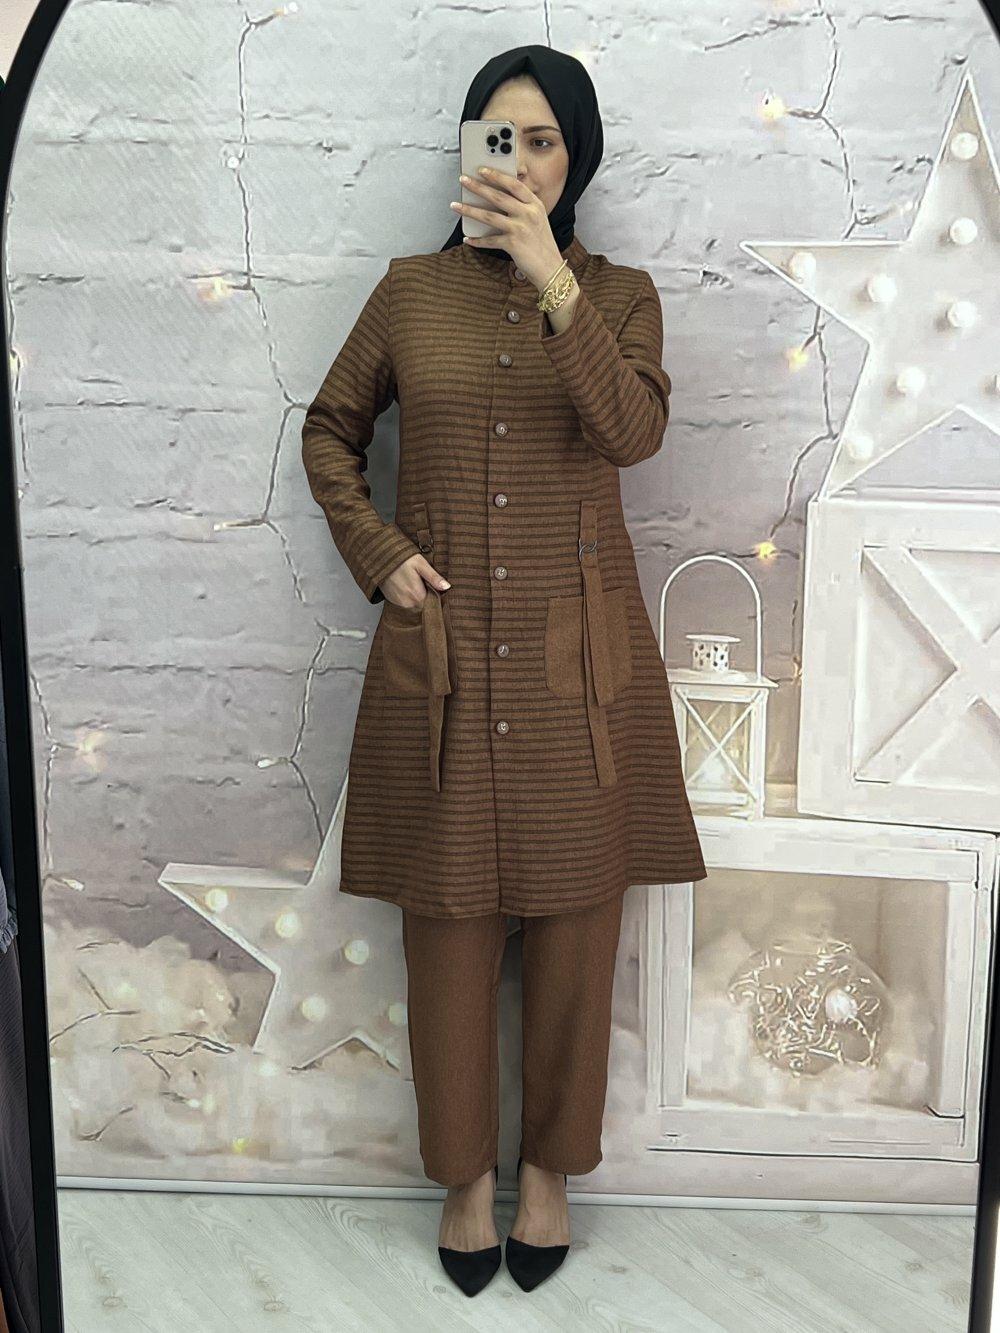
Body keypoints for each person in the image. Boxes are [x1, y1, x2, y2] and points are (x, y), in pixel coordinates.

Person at [301, 44, 707, 1297]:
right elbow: (328, 431)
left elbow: (631, 432)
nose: (520, 162)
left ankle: (551, 1174)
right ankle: (464, 1180)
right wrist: (380, 554)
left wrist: (551, 280)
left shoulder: (619, 294)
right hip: (444, 656)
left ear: (575, 158)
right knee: (450, 929)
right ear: (467, 147)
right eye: (499, 137)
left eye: (543, 141)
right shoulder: (408, 291)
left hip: (576, 661)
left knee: (579, 928)